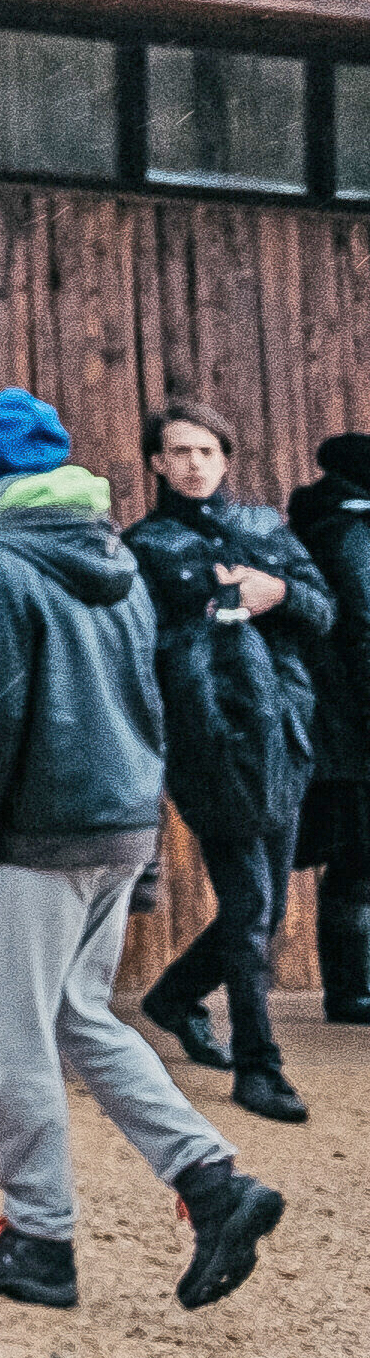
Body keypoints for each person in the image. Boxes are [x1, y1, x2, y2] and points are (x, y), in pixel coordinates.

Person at [0, 393, 293, 1315]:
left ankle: (39, 1241)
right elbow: (147, 695)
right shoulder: (110, 546)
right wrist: (150, 846)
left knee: (9, 1028)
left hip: (50, 830)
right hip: (118, 817)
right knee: (81, 1012)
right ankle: (211, 1183)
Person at [128, 403, 334, 1126]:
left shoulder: (265, 530)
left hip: (281, 734)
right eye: (178, 451)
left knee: (266, 908)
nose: (193, 464)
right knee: (251, 906)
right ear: (156, 462)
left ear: (225, 457)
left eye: (207, 450)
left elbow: (322, 611)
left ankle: (176, 996)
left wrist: (274, 591)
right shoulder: (143, 546)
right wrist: (213, 603)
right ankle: (259, 1065)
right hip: (207, 739)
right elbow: (139, 646)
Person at [297, 437, 370, 1027]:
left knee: (355, 853)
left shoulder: (325, 521)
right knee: (360, 856)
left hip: (338, 714)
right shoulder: (350, 530)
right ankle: (353, 993)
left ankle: (351, 990)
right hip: (352, 714)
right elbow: (367, 627)